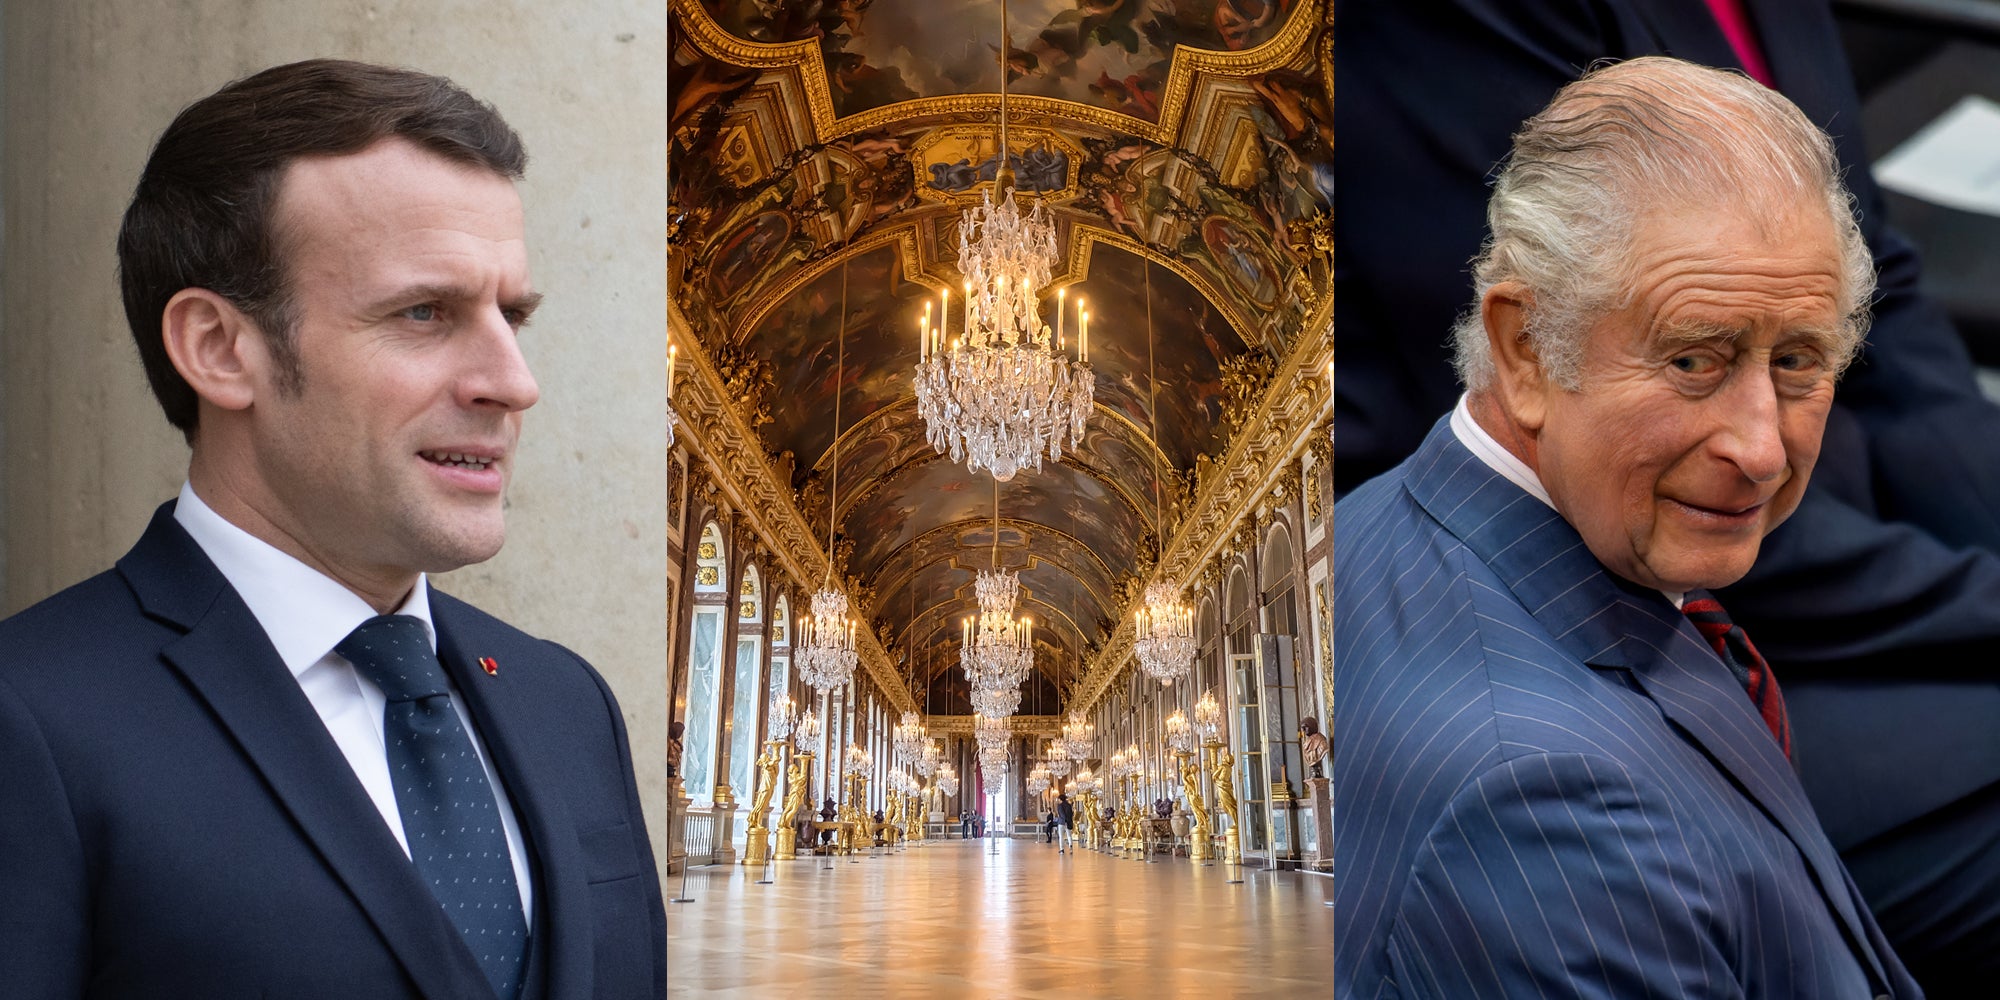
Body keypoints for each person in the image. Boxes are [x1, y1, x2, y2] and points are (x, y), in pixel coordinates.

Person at [1335, 5, 2000, 986]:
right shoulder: (1556, 816)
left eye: (1799, 361)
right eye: (1694, 359)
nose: (1761, 447)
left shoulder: (1394, 527)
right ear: (1522, 347)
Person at [0, 60, 666, 999]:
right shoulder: (28, 720)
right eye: (424, 313)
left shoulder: (567, 703)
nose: (514, 383)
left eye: (511, 315)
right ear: (220, 349)